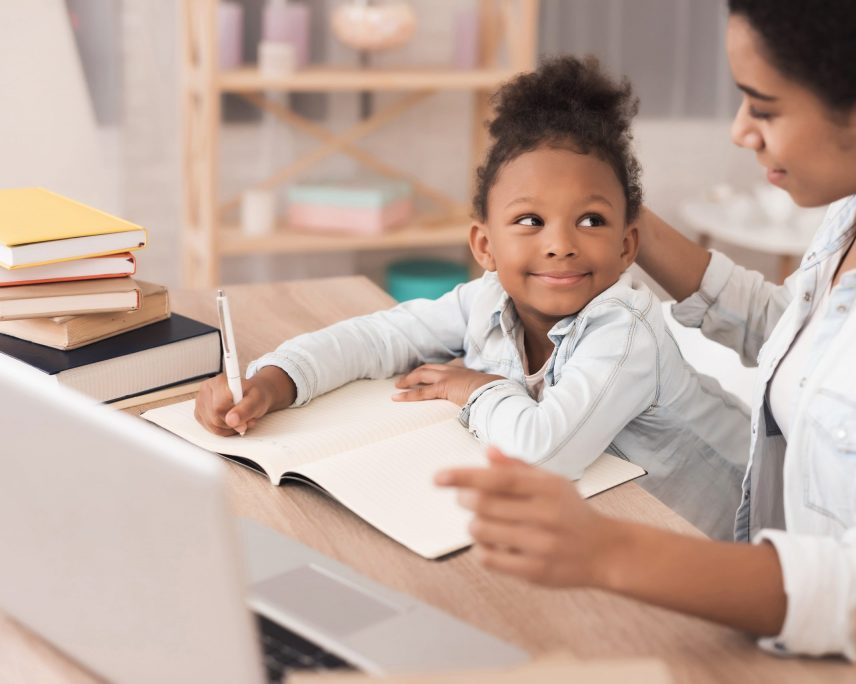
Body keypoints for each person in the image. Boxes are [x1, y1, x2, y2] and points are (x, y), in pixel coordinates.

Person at [436, 0, 856, 659]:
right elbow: (808, 346)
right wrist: (598, 208)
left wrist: (609, 551)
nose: (741, 131)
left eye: (763, 106)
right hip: (755, 619)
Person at [194, 56, 751, 539]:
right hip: (612, 514)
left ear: (628, 244)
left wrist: (474, 387)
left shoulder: (624, 329)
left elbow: (546, 453)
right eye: (530, 219)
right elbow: (381, 335)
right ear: (485, 245)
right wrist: (275, 381)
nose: (560, 245)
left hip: (727, 538)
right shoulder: (488, 300)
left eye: (591, 219)